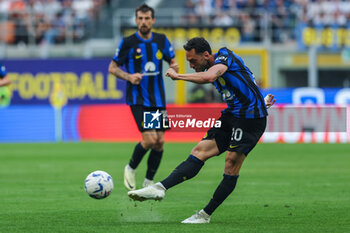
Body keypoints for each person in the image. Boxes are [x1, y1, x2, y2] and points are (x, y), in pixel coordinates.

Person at [127, 37, 275, 223]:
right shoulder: (214, 67)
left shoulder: (224, 58)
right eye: (188, 61)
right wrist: (260, 101)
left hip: (251, 121)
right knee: (199, 151)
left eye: (193, 60)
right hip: (232, 116)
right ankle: (160, 188)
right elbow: (247, 81)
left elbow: (210, 76)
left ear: (206, 55)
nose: (190, 65)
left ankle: (205, 215)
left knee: (231, 163)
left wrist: (178, 76)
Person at [108, 4, 179, 191]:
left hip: (157, 99)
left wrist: (174, 68)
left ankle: (148, 182)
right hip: (138, 98)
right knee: (149, 139)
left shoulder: (161, 40)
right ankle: (130, 168)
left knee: (159, 142)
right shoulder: (128, 42)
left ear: (153, 20)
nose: (143, 22)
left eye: (147, 18)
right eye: (140, 18)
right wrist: (129, 77)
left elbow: (173, 61)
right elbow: (113, 68)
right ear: (136, 20)